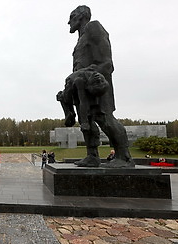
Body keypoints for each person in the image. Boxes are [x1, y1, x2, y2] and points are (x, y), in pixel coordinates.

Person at [56, 5, 134, 168]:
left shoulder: (94, 27)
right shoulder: (80, 39)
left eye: (72, 16)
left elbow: (107, 62)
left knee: (104, 118)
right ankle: (92, 156)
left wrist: (91, 75)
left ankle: (124, 157)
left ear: (81, 16)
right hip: (81, 84)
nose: (68, 21)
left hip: (96, 81)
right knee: (87, 119)